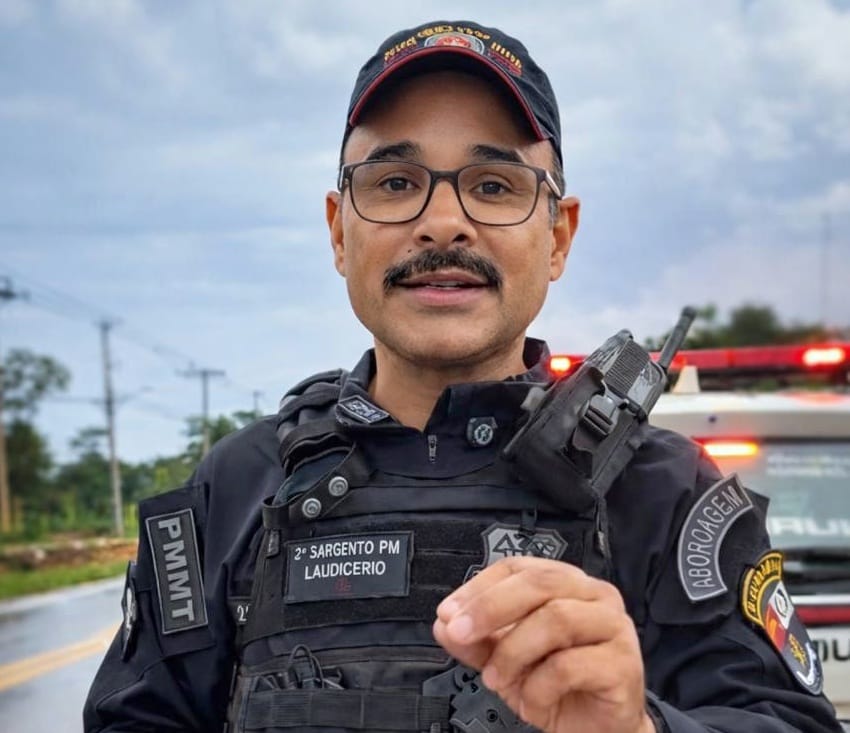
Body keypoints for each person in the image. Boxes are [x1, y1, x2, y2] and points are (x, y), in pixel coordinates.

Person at [84, 19, 843, 733]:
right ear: (337, 230)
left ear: (558, 237)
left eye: (492, 186)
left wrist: (639, 727)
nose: (443, 222)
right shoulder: (236, 485)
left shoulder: (669, 490)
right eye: (392, 182)